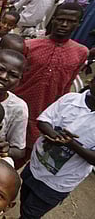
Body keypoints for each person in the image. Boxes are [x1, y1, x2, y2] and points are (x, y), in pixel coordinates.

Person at [14, 3, 88, 168]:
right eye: (60, 19)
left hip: (46, 116)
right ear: (52, 19)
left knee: (26, 157)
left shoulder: (81, 52)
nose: (64, 25)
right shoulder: (30, 45)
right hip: (19, 108)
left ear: (78, 23)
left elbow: (67, 85)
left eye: (70, 21)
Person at [19, 76, 95, 219]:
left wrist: (70, 144)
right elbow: (43, 121)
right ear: (91, 82)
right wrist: (55, 135)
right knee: (24, 198)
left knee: (30, 213)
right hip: (36, 165)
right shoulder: (70, 99)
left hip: (59, 182)